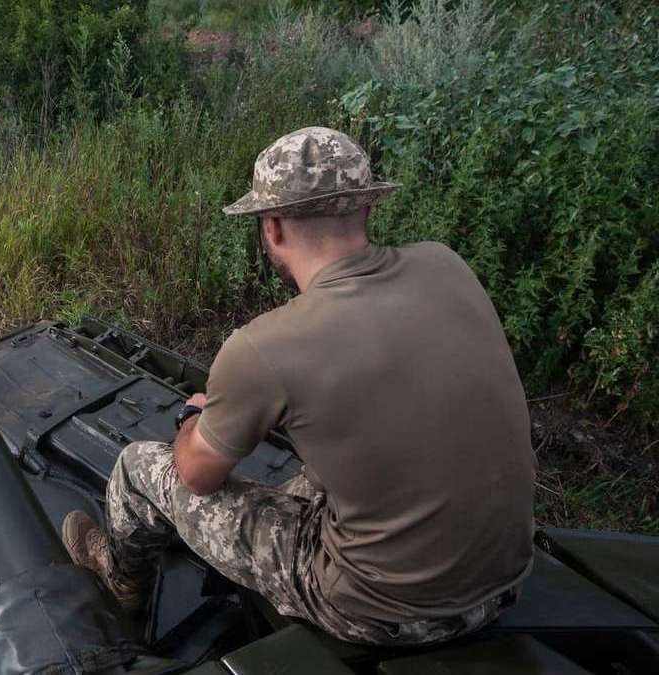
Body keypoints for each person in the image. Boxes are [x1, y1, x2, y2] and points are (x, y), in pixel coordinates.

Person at [62, 127, 536, 646]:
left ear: (272, 229)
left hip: (383, 613)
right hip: (506, 581)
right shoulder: (447, 266)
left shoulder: (265, 346)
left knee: (137, 469)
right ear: (367, 209)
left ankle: (119, 578)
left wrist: (194, 419)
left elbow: (196, 475)